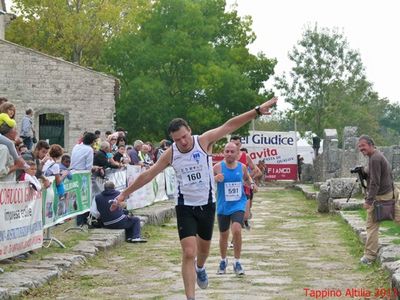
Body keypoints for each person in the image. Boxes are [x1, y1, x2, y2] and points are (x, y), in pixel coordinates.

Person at [112, 97, 277, 300]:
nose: (182, 142)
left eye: (184, 136)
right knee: (189, 252)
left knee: (203, 251)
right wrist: (123, 194)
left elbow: (230, 124)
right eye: (177, 139)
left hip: (207, 205)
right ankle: (191, 297)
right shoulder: (171, 154)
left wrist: (257, 111)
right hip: (185, 206)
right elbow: (148, 174)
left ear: (189, 130)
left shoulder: (203, 141)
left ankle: (201, 267)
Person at [357, 135, 399, 265]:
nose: (361, 149)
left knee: (372, 226)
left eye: (363, 146)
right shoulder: (376, 156)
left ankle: (369, 257)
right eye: (359, 147)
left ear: (370, 145)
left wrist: (369, 201)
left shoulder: (374, 158)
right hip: (392, 192)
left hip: (382, 196)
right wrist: (364, 171)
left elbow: (375, 182)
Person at [214, 142, 253, 276]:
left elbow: (247, 179)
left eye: (232, 151)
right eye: (227, 151)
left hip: (238, 204)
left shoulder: (242, 167)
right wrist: (215, 178)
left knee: (236, 230)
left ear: (237, 154)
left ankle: (237, 262)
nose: (229, 154)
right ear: (223, 153)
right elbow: (206, 181)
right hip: (223, 206)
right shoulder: (218, 167)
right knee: (223, 235)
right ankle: (223, 261)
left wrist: (251, 184)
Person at [230, 136, 260, 230]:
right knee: (233, 215)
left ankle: (241, 225)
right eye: (233, 144)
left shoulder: (245, 156)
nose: (235, 146)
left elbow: (255, 169)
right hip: (231, 190)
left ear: (240, 145)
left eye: (237, 144)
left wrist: (248, 179)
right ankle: (234, 238)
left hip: (244, 189)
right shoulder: (227, 156)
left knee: (246, 215)